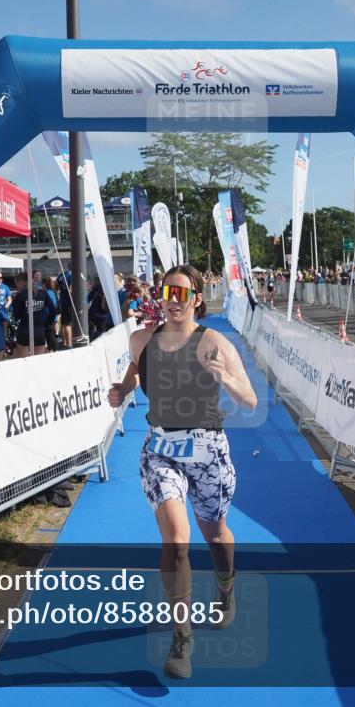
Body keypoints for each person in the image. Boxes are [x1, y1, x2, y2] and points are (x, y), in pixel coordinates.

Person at [107, 264, 257, 679]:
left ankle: (225, 587)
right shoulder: (141, 340)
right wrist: (121, 389)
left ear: (195, 299)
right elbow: (136, 373)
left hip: (208, 449)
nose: (174, 301)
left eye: (182, 293)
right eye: (167, 292)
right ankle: (181, 634)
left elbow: (249, 401)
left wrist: (225, 375)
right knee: (176, 541)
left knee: (216, 535)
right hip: (161, 451)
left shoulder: (213, 342)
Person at [12, 272, 55, 356]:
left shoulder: (20, 296)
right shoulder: (43, 293)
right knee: (38, 363)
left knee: (23, 361)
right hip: (39, 330)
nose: (17, 287)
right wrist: (47, 322)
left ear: (21, 282)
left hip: (24, 330)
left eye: (16, 284)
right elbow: (53, 310)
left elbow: (16, 316)